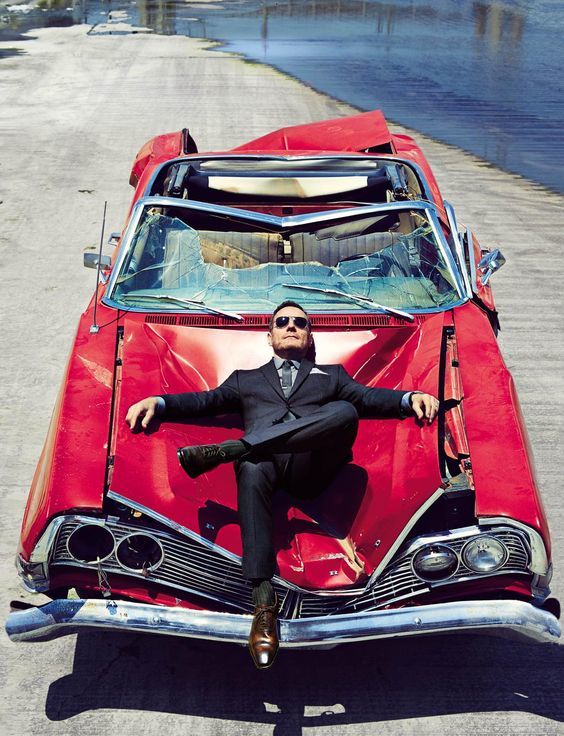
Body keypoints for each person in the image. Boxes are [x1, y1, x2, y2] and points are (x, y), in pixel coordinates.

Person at [126, 301, 439, 668]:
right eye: (282, 322)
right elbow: (204, 401)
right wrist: (158, 401)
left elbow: (370, 398)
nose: (291, 326)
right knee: (253, 466)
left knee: (346, 411)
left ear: (309, 337)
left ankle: (232, 449)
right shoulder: (246, 380)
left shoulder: (332, 376)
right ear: (270, 335)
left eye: (300, 323)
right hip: (266, 469)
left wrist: (409, 397)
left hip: (314, 469)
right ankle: (263, 606)